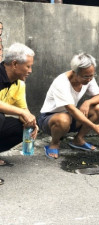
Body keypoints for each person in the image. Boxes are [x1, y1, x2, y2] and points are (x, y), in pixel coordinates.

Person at [38, 53, 99, 159]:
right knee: (64, 118)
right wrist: (94, 127)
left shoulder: (88, 77)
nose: (89, 79)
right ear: (75, 72)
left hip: (70, 117)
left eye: (92, 75)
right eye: (86, 76)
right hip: (49, 119)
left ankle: (78, 140)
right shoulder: (61, 82)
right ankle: (54, 143)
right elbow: (71, 110)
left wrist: (87, 102)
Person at [0, 43, 38, 185]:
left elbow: (24, 109)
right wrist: (21, 112)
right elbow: (19, 110)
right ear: (15, 64)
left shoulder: (19, 84)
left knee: (23, 126)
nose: (30, 70)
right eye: (28, 66)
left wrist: (32, 122)